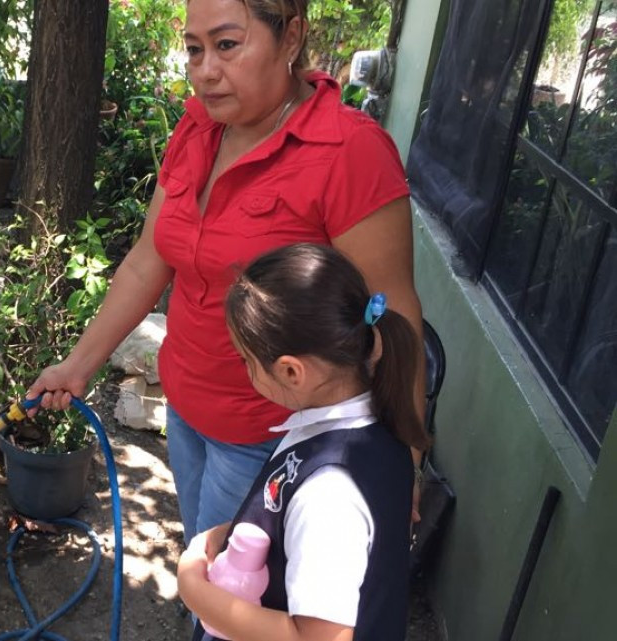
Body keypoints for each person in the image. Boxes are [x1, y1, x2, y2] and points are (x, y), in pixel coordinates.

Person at [27, 0, 424, 544]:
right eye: (194, 49)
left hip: (274, 433)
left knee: (224, 583)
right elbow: (148, 259)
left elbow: (394, 312)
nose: (205, 70)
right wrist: (77, 366)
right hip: (186, 410)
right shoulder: (197, 129)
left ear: (290, 37)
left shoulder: (348, 150)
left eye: (227, 45)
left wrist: (403, 458)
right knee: (203, 558)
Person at [177, 243, 431, 641]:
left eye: (246, 360)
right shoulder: (370, 425)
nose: (244, 369)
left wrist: (195, 592)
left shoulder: (329, 493)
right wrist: (228, 533)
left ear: (291, 372)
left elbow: (320, 636)